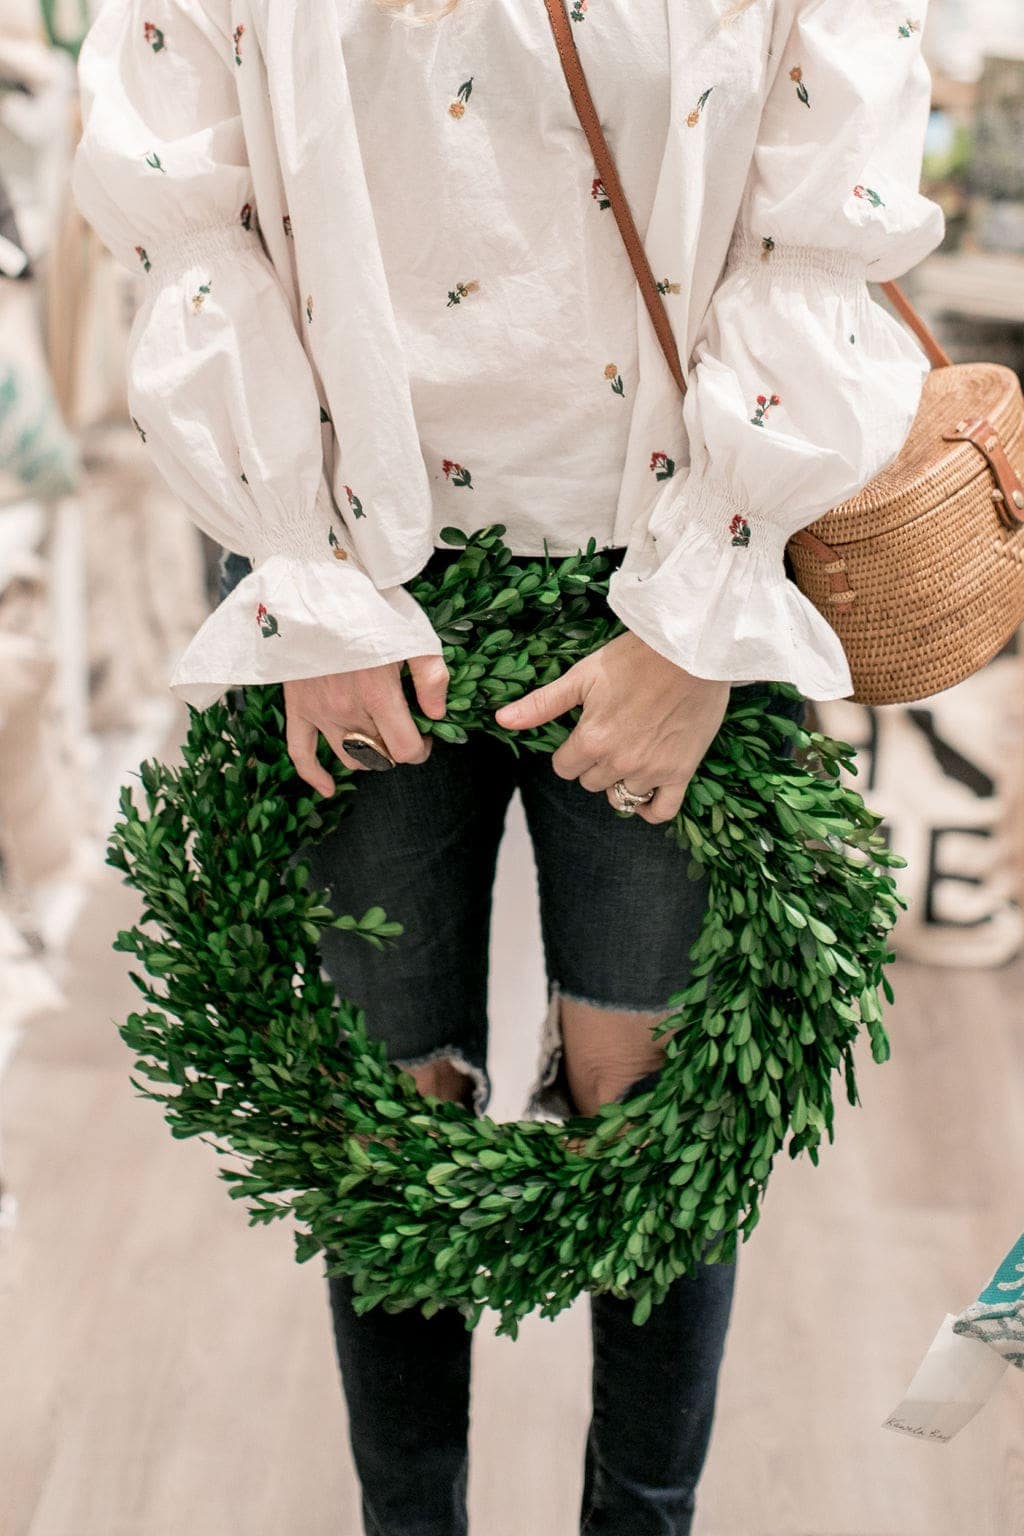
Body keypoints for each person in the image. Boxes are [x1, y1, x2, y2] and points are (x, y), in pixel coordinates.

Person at [71, 1, 944, 1531]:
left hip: (668, 580)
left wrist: (703, 610)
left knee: (657, 1110)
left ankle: (642, 1522)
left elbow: (824, 216)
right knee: (385, 1115)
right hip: (361, 588)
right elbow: (188, 210)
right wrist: (304, 568)